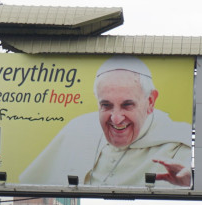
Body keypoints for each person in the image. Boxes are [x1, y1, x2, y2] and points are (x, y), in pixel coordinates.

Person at [19, 56, 192, 188]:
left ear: (151, 102)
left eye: (127, 105)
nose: (116, 119)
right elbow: (34, 187)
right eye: (106, 105)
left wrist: (190, 183)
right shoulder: (77, 130)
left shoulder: (179, 145)